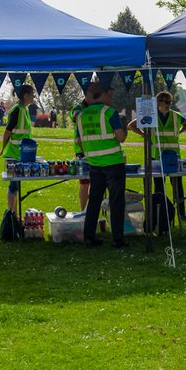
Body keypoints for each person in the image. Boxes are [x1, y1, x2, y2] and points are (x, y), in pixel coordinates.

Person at [75, 80, 129, 247]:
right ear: (103, 94)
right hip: (113, 162)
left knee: (94, 201)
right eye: (110, 95)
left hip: (94, 164)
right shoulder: (109, 113)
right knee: (116, 201)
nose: (111, 98)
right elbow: (121, 138)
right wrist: (124, 126)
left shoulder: (81, 115)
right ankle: (117, 239)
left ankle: (89, 236)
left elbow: (80, 142)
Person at [129, 90, 186, 220]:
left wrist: (179, 132)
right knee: (159, 189)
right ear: (157, 102)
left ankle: (181, 214)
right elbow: (131, 125)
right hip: (156, 157)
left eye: (169, 101)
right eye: (165, 101)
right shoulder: (150, 115)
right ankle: (162, 214)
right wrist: (144, 135)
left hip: (173, 157)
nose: (168, 104)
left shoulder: (176, 116)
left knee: (177, 188)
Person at [0, 84, 35, 216]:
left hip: (21, 154)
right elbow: (7, 131)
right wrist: (3, 148)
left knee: (16, 186)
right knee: (13, 186)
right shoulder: (17, 110)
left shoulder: (24, 109)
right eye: (32, 93)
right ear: (26, 95)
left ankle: (15, 214)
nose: (34, 96)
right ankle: (11, 214)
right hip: (13, 154)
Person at [69, 89, 92, 211]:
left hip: (94, 149)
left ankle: (91, 211)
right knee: (84, 183)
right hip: (82, 151)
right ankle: (83, 211)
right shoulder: (78, 106)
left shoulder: (95, 105)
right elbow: (74, 115)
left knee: (94, 183)